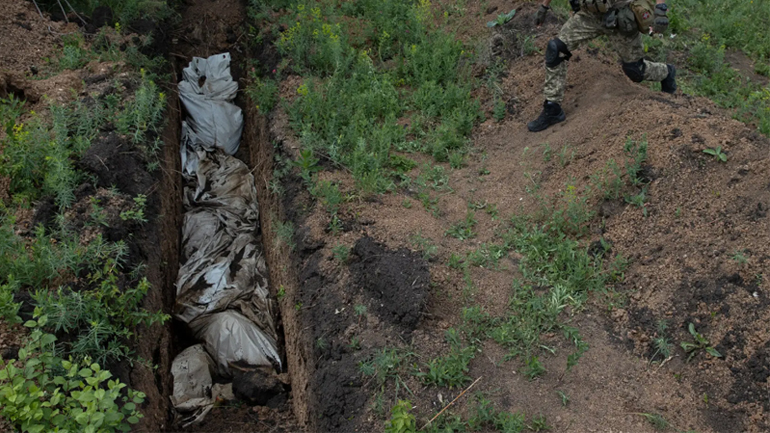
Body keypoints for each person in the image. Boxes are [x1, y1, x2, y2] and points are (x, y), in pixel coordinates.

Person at [527, 0, 677, 132]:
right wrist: (544, 7)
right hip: (589, 15)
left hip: (619, 16)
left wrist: (660, 9)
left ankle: (666, 72)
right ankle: (552, 106)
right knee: (556, 49)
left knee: (635, 70)